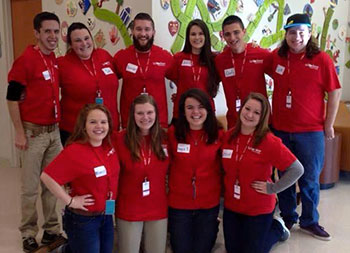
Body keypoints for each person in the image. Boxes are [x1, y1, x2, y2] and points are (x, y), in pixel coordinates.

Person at [271, 13, 341, 241]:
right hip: (281, 130)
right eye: (292, 32)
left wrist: (328, 124)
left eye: (302, 32)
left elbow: (335, 91)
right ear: (286, 35)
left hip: (311, 133)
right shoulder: (277, 58)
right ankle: (288, 217)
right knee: (285, 177)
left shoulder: (322, 60)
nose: (296, 37)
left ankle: (310, 221)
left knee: (310, 179)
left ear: (309, 33)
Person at [6, 12, 65, 252]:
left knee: (52, 185)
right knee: (29, 188)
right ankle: (28, 233)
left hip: (54, 133)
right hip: (33, 134)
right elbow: (12, 99)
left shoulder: (53, 59)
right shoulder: (26, 60)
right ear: (37, 33)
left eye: (55, 31)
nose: (52, 36)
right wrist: (19, 132)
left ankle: (51, 230)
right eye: (47, 31)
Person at [222, 92, 304, 253]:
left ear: (262, 117)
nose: (250, 115)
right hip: (232, 206)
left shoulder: (269, 141)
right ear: (241, 109)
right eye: (247, 109)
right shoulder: (229, 136)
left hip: (258, 208)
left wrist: (273, 188)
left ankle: (277, 228)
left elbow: (297, 169)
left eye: (256, 112)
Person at [41, 104, 120, 253]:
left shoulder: (109, 146)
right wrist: (70, 200)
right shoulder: (75, 151)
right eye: (93, 122)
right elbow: (47, 177)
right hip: (83, 219)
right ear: (84, 126)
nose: (99, 126)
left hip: (106, 215)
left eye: (103, 122)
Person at [167, 88, 223, 253]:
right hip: (179, 204)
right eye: (190, 107)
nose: (195, 112)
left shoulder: (219, 134)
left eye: (200, 107)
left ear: (208, 109)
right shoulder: (172, 134)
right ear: (183, 111)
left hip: (208, 204)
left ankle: (214, 224)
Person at [115, 94, 168, 253]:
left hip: (158, 208)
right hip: (129, 209)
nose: (145, 117)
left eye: (149, 112)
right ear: (132, 115)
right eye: (140, 113)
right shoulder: (119, 139)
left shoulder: (166, 138)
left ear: (156, 114)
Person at [58, 22, 120, 145]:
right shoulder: (62, 64)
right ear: (70, 44)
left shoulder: (104, 56)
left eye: (87, 38)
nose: (84, 43)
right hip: (76, 131)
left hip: (109, 127)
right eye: (78, 40)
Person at [113, 12, 173, 128]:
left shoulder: (165, 57)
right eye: (138, 29)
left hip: (158, 124)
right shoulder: (121, 57)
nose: (143, 34)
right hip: (130, 124)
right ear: (132, 31)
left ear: (153, 32)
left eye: (147, 29)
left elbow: (182, 79)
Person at [215, 15, 272, 129]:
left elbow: (283, 77)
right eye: (227, 34)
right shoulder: (219, 60)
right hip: (234, 123)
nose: (232, 38)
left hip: (260, 122)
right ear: (223, 36)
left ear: (244, 32)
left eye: (236, 32)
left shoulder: (261, 54)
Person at [167, 19, 219, 122]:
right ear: (188, 37)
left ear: (206, 36)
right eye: (193, 34)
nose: (197, 38)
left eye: (200, 34)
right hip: (182, 113)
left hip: (206, 112)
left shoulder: (214, 59)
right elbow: (174, 78)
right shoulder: (178, 58)